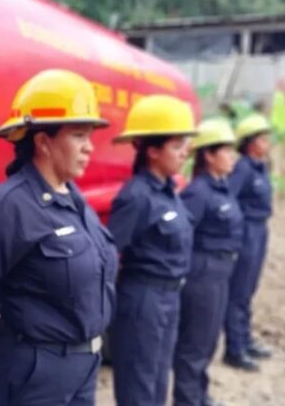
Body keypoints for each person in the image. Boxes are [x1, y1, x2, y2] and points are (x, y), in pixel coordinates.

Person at [0, 69, 119, 406]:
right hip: (34, 374)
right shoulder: (7, 207)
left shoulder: (73, 198)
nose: (89, 147)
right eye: (79, 135)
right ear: (43, 141)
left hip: (83, 366)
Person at [105, 94, 196, 406]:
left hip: (170, 297)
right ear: (153, 151)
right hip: (142, 300)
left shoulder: (170, 191)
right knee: (139, 383)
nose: (185, 152)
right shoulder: (136, 197)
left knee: (158, 379)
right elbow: (108, 254)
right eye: (176, 145)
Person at [173, 119, 244, 406]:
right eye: (226, 151)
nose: (232, 157)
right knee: (195, 343)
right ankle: (188, 400)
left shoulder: (220, 188)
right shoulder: (198, 192)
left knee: (208, 340)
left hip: (220, 271)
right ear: (209, 156)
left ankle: (199, 395)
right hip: (202, 273)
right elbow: (182, 235)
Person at [223, 113, 274, 372]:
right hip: (247, 232)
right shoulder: (242, 169)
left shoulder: (260, 167)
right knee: (239, 291)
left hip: (260, 229)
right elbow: (229, 200)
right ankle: (235, 348)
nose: (268, 144)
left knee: (249, 289)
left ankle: (245, 338)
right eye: (263, 139)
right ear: (251, 143)